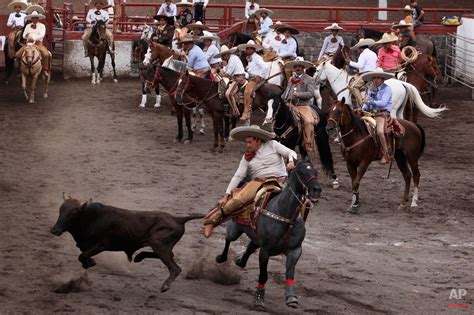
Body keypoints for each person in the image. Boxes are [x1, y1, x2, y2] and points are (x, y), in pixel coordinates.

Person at [203, 125, 297, 238]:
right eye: (246, 142)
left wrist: (291, 161)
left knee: (298, 198)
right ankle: (212, 219)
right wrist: (226, 194)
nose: (247, 145)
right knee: (238, 199)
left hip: (281, 180)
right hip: (259, 183)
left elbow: (291, 153)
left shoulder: (273, 145)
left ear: (258, 139)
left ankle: (296, 226)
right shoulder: (246, 157)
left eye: (250, 142)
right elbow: (238, 176)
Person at [359, 68, 394, 164]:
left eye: (378, 78)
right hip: (372, 113)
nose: (376, 80)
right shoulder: (371, 89)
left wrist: (369, 102)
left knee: (379, 131)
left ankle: (386, 154)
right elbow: (367, 102)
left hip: (382, 114)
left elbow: (383, 103)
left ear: (382, 79)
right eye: (374, 78)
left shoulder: (387, 89)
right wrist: (363, 108)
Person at [282, 57, 317, 152]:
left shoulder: (309, 79)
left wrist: (298, 94)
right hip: (289, 104)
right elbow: (286, 91)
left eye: (299, 67)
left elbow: (311, 94)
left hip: (303, 105)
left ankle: (308, 142)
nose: (297, 68)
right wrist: (282, 98)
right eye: (295, 67)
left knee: (308, 121)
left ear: (303, 68)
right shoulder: (291, 79)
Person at [237, 40, 268, 122]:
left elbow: (265, 67)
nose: (248, 50)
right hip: (249, 76)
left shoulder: (256, 58)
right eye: (247, 49)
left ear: (254, 50)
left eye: (251, 49)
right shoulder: (250, 58)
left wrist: (259, 76)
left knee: (247, 92)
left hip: (254, 78)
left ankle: (245, 113)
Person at [215, 45, 246, 116]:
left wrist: (221, 72)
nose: (222, 58)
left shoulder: (233, 59)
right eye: (222, 56)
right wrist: (221, 71)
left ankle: (235, 111)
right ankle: (227, 107)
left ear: (227, 54)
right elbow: (225, 70)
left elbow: (228, 73)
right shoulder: (230, 59)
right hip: (235, 77)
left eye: (223, 56)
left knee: (228, 93)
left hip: (239, 78)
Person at [17, 9, 50, 74]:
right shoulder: (28, 26)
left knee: (46, 54)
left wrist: (33, 38)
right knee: (17, 55)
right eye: (33, 18)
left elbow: (42, 35)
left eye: (36, 18)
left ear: (38, 18)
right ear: (31, 18)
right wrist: (27, 36)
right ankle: (20, 69)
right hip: (28, 44)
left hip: (38, 44)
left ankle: (45, 69)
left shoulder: (42, 26)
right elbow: (23, 36)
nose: (34, 19)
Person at [348, 38, 377, 107]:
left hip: (366, 75)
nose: (358, 50)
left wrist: (350, 62)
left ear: (360, 48)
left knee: (353, 87)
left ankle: (362, 103)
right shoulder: (373, 53)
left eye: (358, 48)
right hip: (375, 74)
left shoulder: (363, 54)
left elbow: (360, 66)